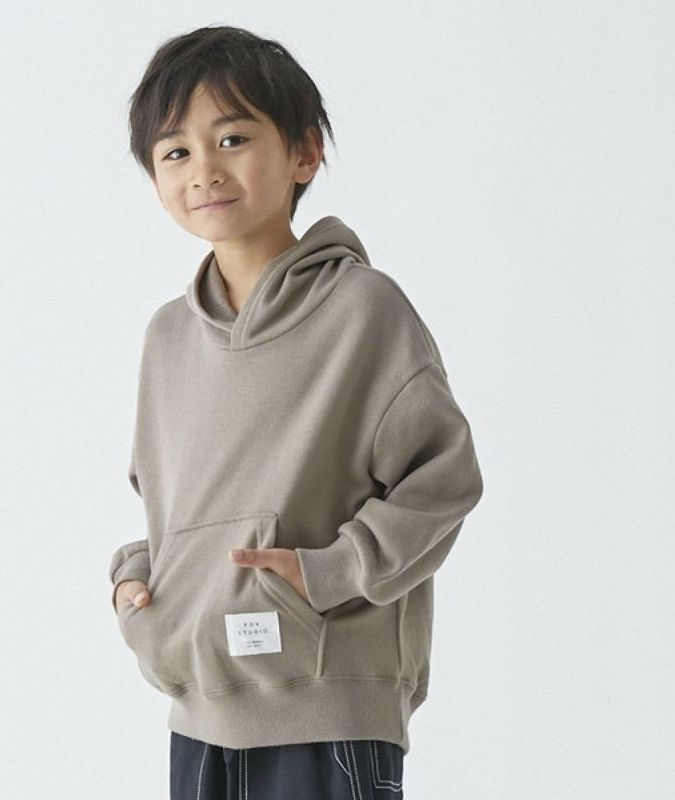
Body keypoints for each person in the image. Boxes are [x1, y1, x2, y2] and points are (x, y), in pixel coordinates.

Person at [109, 24, 484, 800]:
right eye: (175, 152)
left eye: (232, 138)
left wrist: (328, 573)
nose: (204, 170)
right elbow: (174, 511)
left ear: (305, 153)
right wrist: (137, 580)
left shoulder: (363, 311)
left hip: (326, 706)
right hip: (198, 711)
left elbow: (444, 480)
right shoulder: (167, 338)